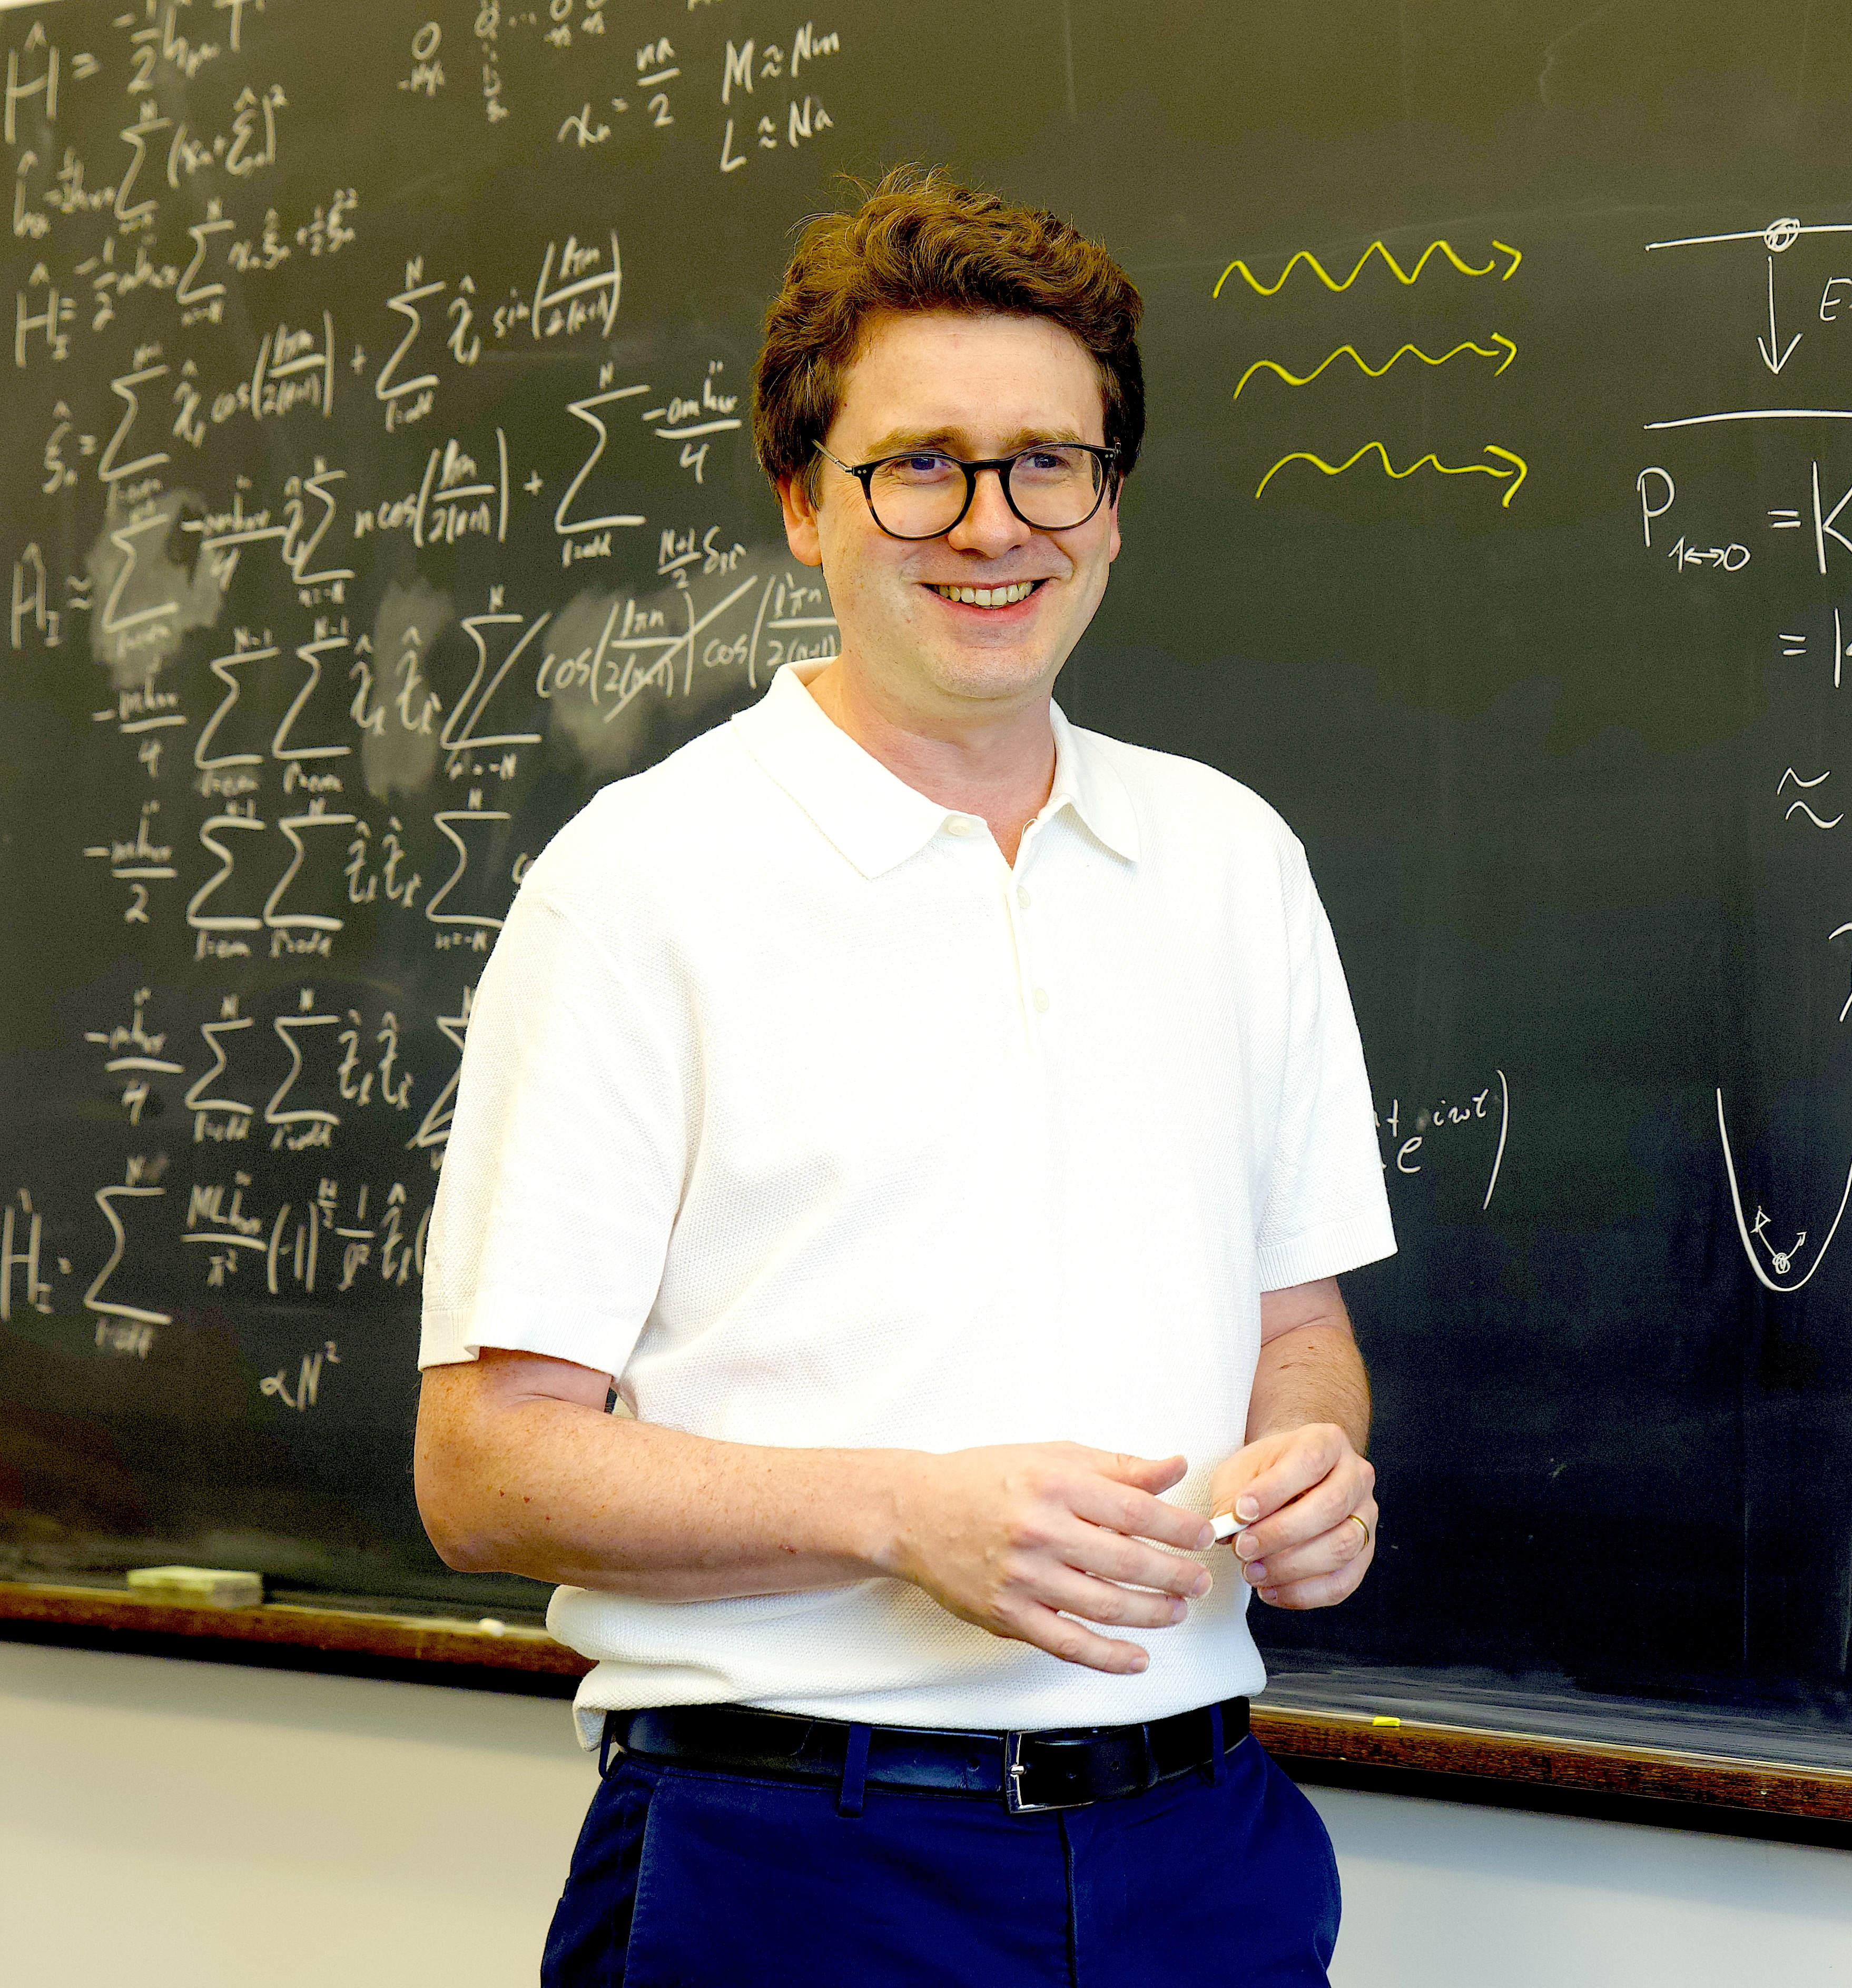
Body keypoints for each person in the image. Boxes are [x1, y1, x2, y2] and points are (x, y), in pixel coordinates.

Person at [411, 169, 1393, 1986]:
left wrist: (1317, 1456)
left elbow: (1296, 1320)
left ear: (1108, 507)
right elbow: (482, 1472)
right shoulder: (643, 881)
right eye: (918, 464)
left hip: (1207, 1856)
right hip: (795, 1859)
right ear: (804, 504)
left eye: (1048, 462)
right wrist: (898, 1514)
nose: (990, 522)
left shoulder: (1229, 856)